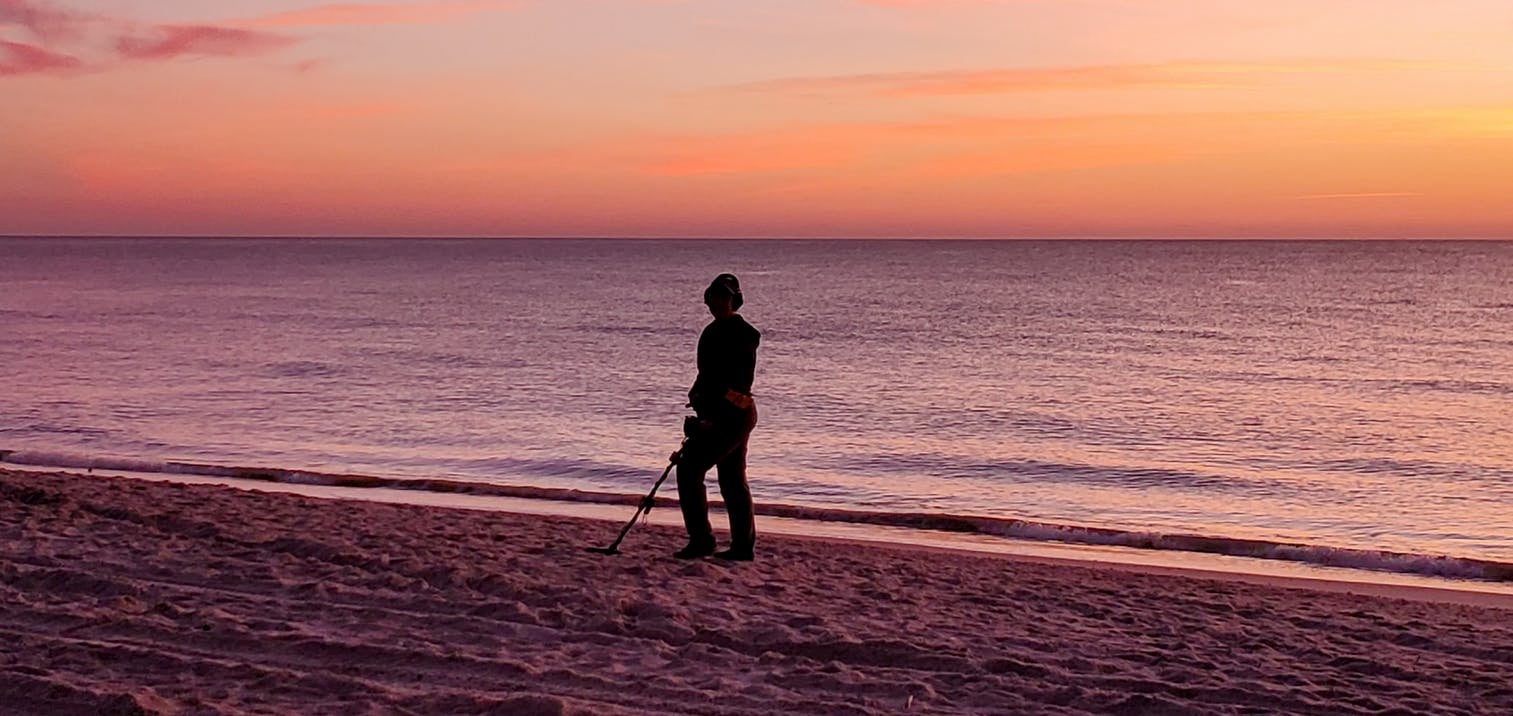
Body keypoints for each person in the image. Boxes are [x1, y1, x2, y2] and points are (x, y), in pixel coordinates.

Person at [674, 273, 760, 561]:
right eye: (714, 296)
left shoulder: (745, 334)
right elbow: (706, 375)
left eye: (724, 296)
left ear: (734, 300)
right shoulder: (710, 332)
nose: (718, 301)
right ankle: (740, 547)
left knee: (689, 469)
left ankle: (704, 540)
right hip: (714, 414)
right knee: (731, 479)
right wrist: (696, 396)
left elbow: (741, 387)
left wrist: (715, 419)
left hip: (736, 415)